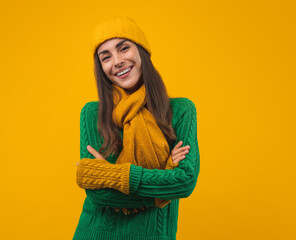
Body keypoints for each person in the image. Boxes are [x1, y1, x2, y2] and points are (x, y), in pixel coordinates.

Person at [73, 16, 200, 240]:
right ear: (101, 68)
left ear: (141, 52)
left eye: (124, 48)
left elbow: (185, 182)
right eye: (106, 57)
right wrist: (164, 182)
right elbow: (98, 193)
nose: (117, 61)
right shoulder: (93, 114)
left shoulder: (180, 111)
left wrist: (111, 174)